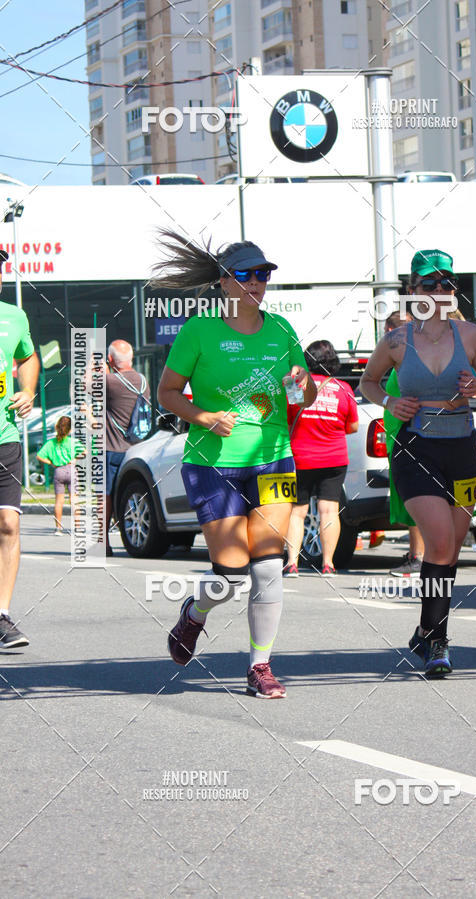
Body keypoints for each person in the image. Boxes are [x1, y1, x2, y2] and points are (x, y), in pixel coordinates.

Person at [155, 233, 317, 698]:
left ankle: (260, 666)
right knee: (228, 573)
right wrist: (202, 415)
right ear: (225, 283)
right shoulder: (199, 332)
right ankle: (194, 614)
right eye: (246, 275)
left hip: (274, 461)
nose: (257, 284)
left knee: (267, 568)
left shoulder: (282, 331)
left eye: (263, 275)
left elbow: (302, 397)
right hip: (212, 463)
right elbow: (166, 393)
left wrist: (301, 384)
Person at [360, 249, 476, 678]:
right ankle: (438, 641)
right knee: (438, 542)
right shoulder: (397, 341)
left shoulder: (471, 334)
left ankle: (423, 628)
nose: (438, 291)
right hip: (415, 446)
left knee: (450, 548)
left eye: (446, 283)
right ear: (412, 290)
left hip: (462, 447)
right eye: (428, 284)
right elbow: (368, 382)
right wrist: (391, 401)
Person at [284, 339, 358, 576]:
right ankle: (328, 563)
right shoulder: (343, 388)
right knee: (329, 510)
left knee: (297, 511)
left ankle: (292, 562)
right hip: (334, 458)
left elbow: (287, 418)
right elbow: (353, 426)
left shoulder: (296, 386)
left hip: (301, 457)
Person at [0, 248, 40, 648]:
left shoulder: (14, 316)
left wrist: (27, 390)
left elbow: (27, 357)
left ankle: (2, 616)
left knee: (9, 523)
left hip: (4, 435)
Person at [382, 310, 425, 576]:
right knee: (413, 500)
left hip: (407, 439)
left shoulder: (409, 360)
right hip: (402, 438)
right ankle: (416, 554)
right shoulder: (409, 359)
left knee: (416, 500)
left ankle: (418, 556)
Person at [105, 339, 150, 556]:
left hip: (111, 447)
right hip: (136, 449)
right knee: (129, 493)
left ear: (111, 359)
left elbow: (83, 385)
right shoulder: (143, 381)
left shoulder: (110, 381)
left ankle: (102, 542)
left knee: (105, 495)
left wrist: (100, 367)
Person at [37, 415, 85, 534]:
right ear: (70, 430)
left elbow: (39, 456)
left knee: (59, 501)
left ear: (57, 427)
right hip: (71, 470)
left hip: (59, 470)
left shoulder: (50, 443)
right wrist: (74, 459)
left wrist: (52, 463)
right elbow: (85, 452)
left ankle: (58, 528)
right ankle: (78, 527)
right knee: (74, 499)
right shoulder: (73, 442)